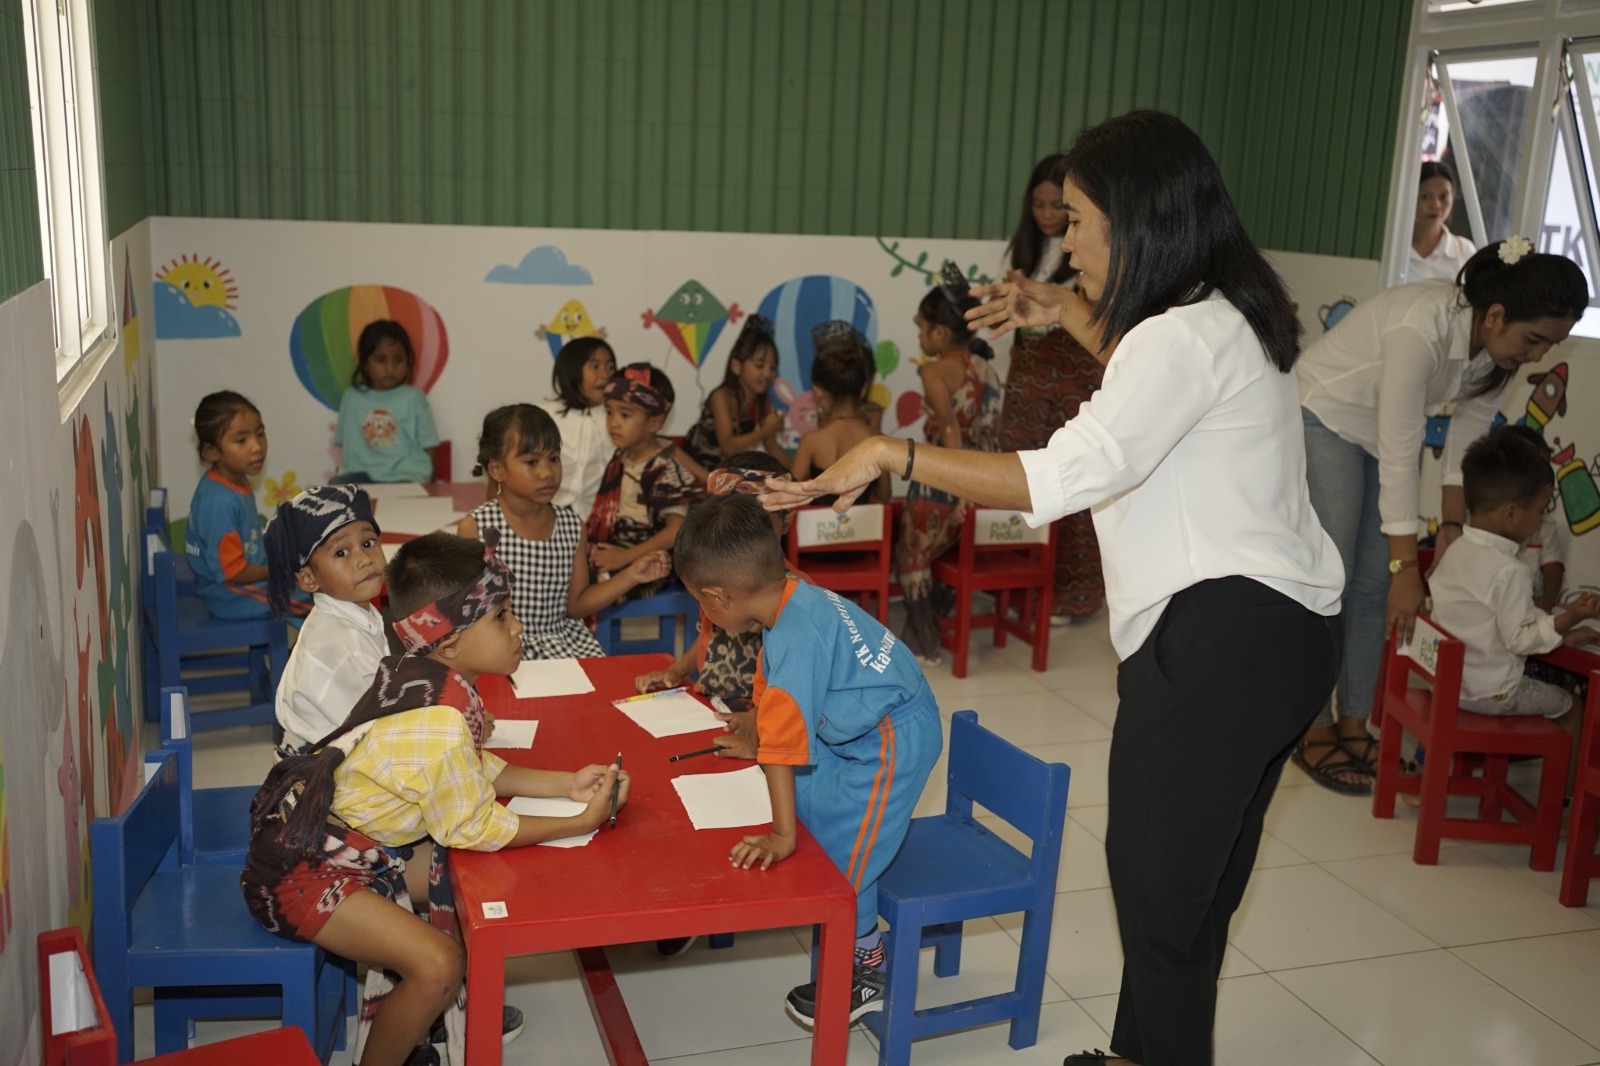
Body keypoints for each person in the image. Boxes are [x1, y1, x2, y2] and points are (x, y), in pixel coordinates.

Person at [762, 110, 1345, 1066]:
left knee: (1160, 898)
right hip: (1288, 638)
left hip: (1220, 641)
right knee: (1188, 894)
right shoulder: (1223, 314)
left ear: (1135, 217)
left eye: (1075, 221)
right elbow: (1154, 400)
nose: (1064, 241)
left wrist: (892, 451)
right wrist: (1063, 312)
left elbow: (1059, 477)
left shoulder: (1179, 336)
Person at [240, 532, 630, 1066]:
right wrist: (578, 819)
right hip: (299, 873)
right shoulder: (443, 719)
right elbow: (477, 826)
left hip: (347, 847)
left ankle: (428, 1016)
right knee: (439, 962)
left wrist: (564, 784)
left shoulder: (427, 679)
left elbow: (471, 770)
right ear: (449, 643)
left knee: (468, 883)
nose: (518, 628)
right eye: (501, 617)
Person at [1294, 239, 1587, 793]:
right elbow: (1403, 445)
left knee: (1373, 584)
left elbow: (1467, 441)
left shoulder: (1493, 354)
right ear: (1496, 314)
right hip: (1325, 414)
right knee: (1331, 580)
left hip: (1376, 435)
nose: (1536, 356)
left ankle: (1354, 725)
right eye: (1534, 340)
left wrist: (1453, 529)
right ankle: (1312, 729)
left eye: (1549, 345)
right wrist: (1410, 567)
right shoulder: (1421, 326)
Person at [674, 493, 942, 1027]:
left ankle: (870, 968)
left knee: (843, 864)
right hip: (858, 727)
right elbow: (777, 698)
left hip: (889, 741)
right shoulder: (794, 597)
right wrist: (758, 732)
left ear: (717, 596)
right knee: (814, 819)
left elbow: (785, 740)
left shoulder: (795, 634)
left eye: (698, 604)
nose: (701, 613)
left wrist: (781, 833)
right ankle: (851, 930)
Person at [632, 450, 804, 960]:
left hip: (762, 725)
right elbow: (707, 638)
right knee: (665, 791)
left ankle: (706, 902)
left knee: (720, 810)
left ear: (783, 521)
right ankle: (676, 895)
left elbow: (795, 694)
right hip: (710, 703)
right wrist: (678, 671)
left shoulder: (792, 597)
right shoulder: (721, 573)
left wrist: (756, 722)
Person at [1427, 427, 1600, 788]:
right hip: (1491, 692)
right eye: (1540, 510)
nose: (1541, 520)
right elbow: (1521, 641)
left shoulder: (1457, 549)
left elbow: (1500, 619)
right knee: (1572, 707)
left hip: (1448, 683)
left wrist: (1562, 629)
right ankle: (1566, 804)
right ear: (1511, 515)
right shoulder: (1510, 571)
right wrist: (1573, 616)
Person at [459, 404, 670, 659]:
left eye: (554, 458)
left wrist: (632, 575)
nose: (547, 472)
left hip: (563, 646)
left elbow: (577, 605)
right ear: (497, 470)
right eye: (531, 462)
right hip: (500, 649)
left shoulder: (572, 527)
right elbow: (468, 613)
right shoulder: (478, 528)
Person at [998, 152, 1108, 623]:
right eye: (1038, 205)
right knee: (1022, 486)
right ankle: (1020, 592)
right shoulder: (1022, 250)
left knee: (1074, 487)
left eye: (1057, 208)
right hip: (1027, 388)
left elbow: (1095, 329)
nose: (1047, 215)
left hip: (1070, 388)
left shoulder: (1090, 258)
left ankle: (1075, 596)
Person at [895, 281, 1002, 664]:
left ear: (939, 333)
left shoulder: (935, 371)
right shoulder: (988, 367)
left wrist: (961, 492)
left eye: (921, 327)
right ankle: (934, 623)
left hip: (946, 483)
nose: (920, 336)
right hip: (993, 481)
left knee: (910, 555)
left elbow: (949, 428)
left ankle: (924, 641)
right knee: (938, 547)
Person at [264, 484, 388, 759]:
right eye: (341, 553)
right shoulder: (339, 643)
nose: (365, 559)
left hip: (337, 763)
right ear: (309, 578)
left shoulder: (350, 614)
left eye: (368, 543)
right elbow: (380, 737)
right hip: (321, 790)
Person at [186, 390, 310, 621]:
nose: (257, 446)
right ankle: (309, 656)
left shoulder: (234, 480)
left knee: (314, 582)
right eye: (241, 440)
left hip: (244, 578)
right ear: (212, 451)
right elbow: (232, 572)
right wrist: (278, 570)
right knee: (312, 604)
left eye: (260, 434)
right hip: (228, 595)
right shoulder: (218, 503)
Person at [586, 364, 701, 601]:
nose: (614, 423)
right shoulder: (622, 457)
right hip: (619, 551)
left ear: (654, 422)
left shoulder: (664, 467)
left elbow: (676, 530)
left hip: (655, 565)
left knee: (584, 584)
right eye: (609, 412)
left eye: (625, 414)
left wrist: (625, 556)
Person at [336, 320, 440, 484]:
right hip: (361, 479)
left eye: (398, 360)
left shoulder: (414, 398)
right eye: (381, 360)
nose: (390, 368)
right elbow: (346, 448)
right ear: (365, 363)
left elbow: (430, 450)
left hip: (406, 477)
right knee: (336, 486)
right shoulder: (351, 399)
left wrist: (431, 491)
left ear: (408, 361)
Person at [791, 332, 887, 507]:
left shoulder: (812, 441)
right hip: (863, 531)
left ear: (818, 391)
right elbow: (884, 494)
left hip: (818, 532)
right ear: (863, 389)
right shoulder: (878, 440)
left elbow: (791, 494)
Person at [682, 314, 788, 469]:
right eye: (759, 365)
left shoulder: (763, 402)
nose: (767, 374)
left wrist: (799, 469)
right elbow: (728, 446)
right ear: (736, 366)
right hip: (697, 471)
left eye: (772, 368)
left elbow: (770, 444)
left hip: (726, 475)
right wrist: (764, 432)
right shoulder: (721, 397)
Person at [539, 336, 616, 520]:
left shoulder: (617, 416)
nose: (605, 375)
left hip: (601, 518)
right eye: (595, 366)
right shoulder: (544, 415)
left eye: (611, 367)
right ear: (571, 370)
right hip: (549, 514)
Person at [1502, 424, 1568, 611]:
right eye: (1536, 467)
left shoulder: (1544, 524)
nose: (1542, 475)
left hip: (1534, 607)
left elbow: (1553, 567)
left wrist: (1547, 601)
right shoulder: (1486, 524)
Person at [1408, 161, 1477, 283]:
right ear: (1411, 195)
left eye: (1443, 197)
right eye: (1425, 196)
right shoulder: (1394, 247)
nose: (1436, 205)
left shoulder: (1464, 251)